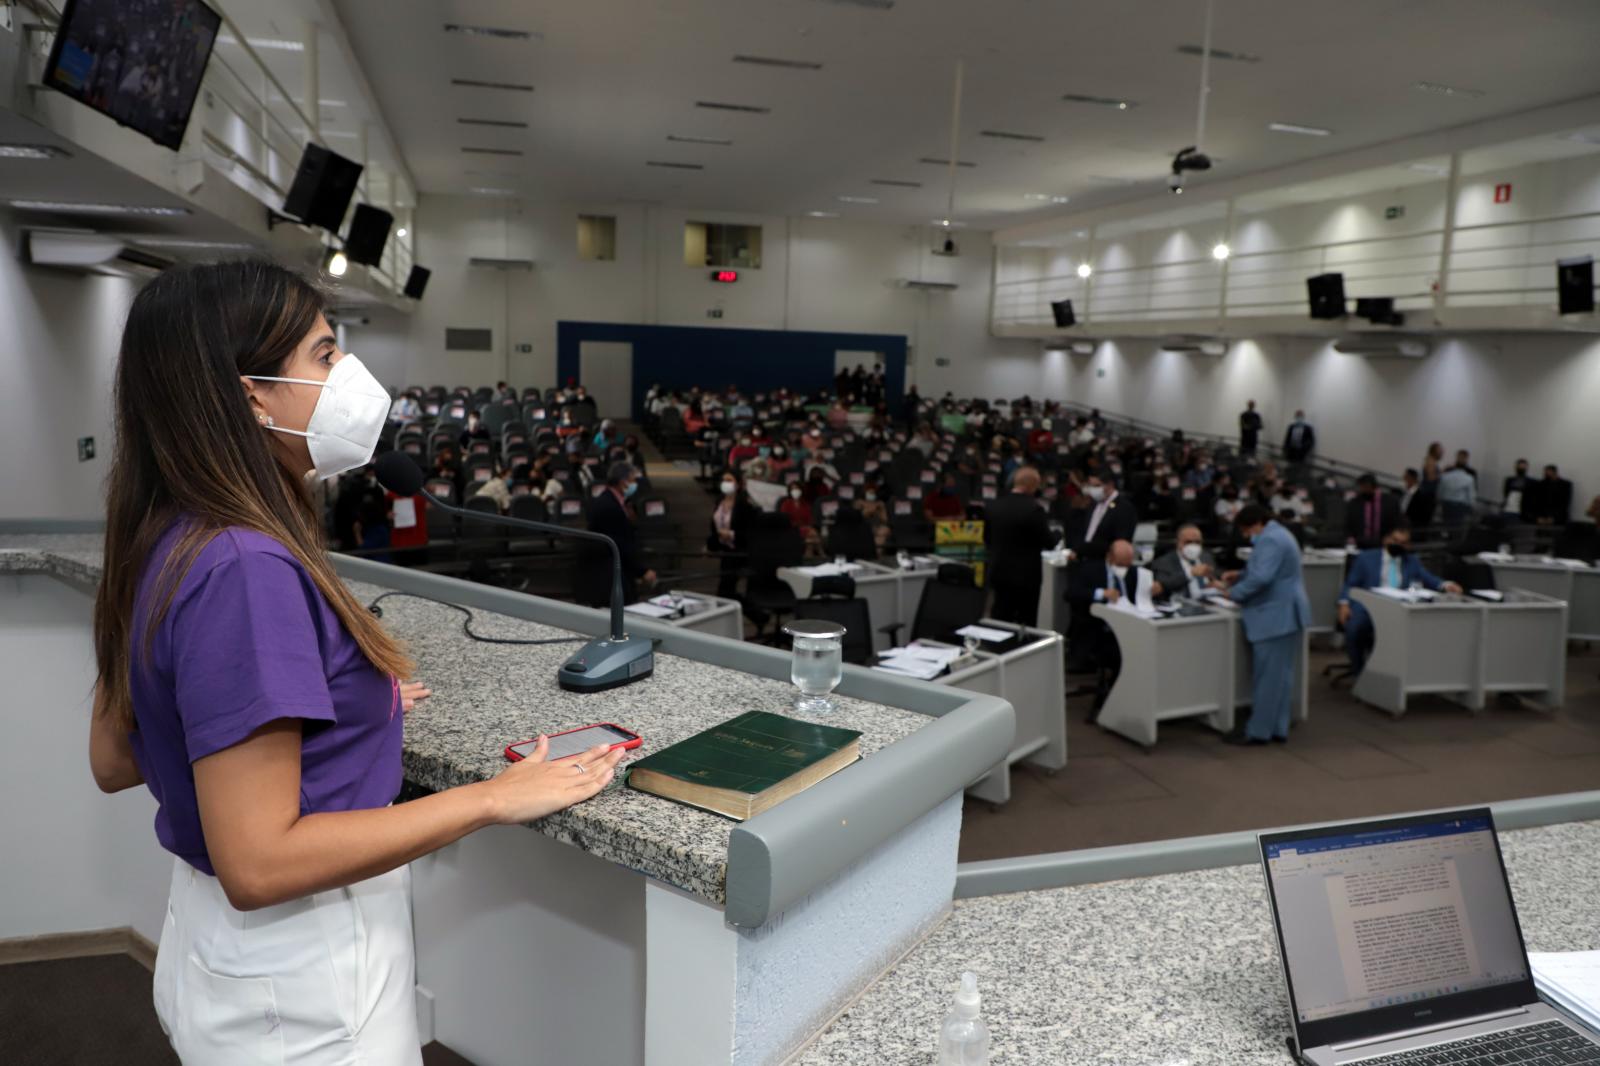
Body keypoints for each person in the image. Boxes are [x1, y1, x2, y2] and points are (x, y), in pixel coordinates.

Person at [86, 261, 625, 1065]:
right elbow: (260, 861)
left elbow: (118, 754)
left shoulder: (169, 531)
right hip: (303, 981)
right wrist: (491, 799)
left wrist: (330, 705)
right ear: (252, 394)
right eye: (325, 354)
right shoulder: (245, 566)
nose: (347, 375)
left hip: (222, 956)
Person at [1220, 504, 1311, 745]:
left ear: (1257, 523)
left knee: (1268, 678)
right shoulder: (1280, 534)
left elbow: (1262, 577)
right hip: (1285, 614)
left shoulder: (1270, 539)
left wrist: (1234, 593)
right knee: (1280, 676)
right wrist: (1239, 575)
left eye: (1247, 531)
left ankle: (1258, 732)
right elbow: (1268, 570)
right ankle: (1277, 728)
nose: (1248, 536)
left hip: (1275, 615)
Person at [1336, 522, 1463, 675]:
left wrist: (1446, 585)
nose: (1397, 545)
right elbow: (1350, 584)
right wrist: (1343, 604)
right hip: (1369, 607)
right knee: (1354, 628)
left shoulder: (1411, 560)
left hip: (1400, 610)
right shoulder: (1366, 558)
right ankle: (1360, 673)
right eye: (1394, 541)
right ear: (1385, 540)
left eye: (1402, 543)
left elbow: (1429, 579)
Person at [1067, 538, 1157, 716]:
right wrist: (1101, 593)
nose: (1124, 569)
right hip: (1099, 631)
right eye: (1120, 564)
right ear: (1109, 557)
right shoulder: (1091, 570)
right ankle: (1112, 701)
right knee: (1122, 656)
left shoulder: (1135, 573)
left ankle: (1133, 698)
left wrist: (1155, 590)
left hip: (1132, 629)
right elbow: (1071, 593)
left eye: (1127, 564)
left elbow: (1143, 599)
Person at [982, 465, 1057, 626]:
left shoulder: (993, 507)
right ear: (1032, 486)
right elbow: (1048, 542)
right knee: (1026, 622)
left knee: (1000, 619)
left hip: (999, 572)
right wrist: (1057, 536)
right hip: (1026, 578)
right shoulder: (1034, 509)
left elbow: (987, 539)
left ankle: (997, 650)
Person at [582, 461, 654, 605]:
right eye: (633, 480)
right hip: (608, 574)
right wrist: (641, 571)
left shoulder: (616, 501)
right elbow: (619, 543)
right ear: (623, 482)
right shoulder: (608, 506)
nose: (635, 484)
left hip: (617, 570)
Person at [1066, 472, 1138, 562]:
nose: (1093, 490)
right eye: (1091, 486)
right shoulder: (1093, 504)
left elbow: (1120, 541)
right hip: (1085, 561)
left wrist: (1086, 549)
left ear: (1110, 485)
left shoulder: (1124, 508)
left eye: (1097, 486)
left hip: (1106, 562)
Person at [708, 470, 757, 598]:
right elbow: (714, 526)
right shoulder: (719, 501)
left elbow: (750, 531)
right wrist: (710, 544)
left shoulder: (745, 505)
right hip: (724, 550)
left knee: (725, 589)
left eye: (729, 480)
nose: (725, 483)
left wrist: (732, 534)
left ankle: (756, 614)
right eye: (724, 480)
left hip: (739, 550)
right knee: (726, 587)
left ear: (738, 484)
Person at [1150, 524, 1218, 602]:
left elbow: (1214, 577)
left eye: (1197, 542)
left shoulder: (1206, 557)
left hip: (1210, 602)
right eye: (1188, 542)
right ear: (1178, 542)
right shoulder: (1163, 562)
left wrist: (1217, 583)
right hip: (1182, 605)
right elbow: (1163, 586)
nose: (1193, 546)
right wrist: (1190, 573)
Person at [1344, 473, 1400, 549]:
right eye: (1362, 487)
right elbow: (1349, 524)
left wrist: (1392, 538)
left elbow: (1396, 522)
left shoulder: (1390, 502)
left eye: (1366, 486)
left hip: (1384, 544)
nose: (1363, 489)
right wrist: (1351, 538)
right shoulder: (1354, 503)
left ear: (1373, 486)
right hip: (1361, 544)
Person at [1437, 455, 1477, 530]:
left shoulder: (1445, 476)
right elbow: (1471, 495)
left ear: (1455, 466)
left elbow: (1440, 491)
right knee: (1456, 527)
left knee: (1445, 524)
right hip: (1460, 505)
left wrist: (1439, 501)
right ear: (1465, 467)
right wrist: (1472, 506)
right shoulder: (1469, 478)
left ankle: (1445, 537)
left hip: (1446, 504)